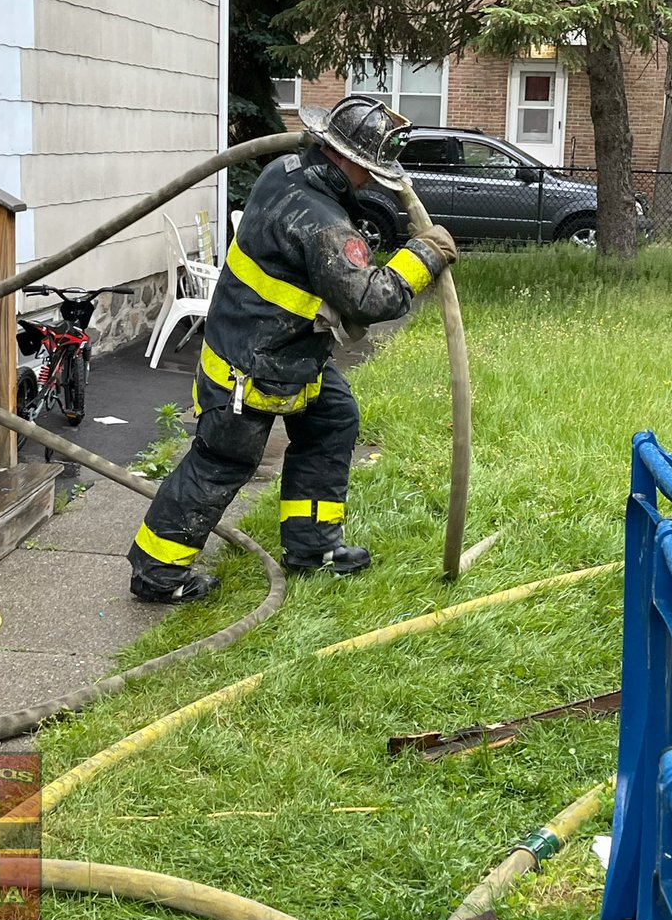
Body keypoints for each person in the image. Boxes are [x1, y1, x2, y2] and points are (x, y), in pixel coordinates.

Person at [127, 94, 458, 603]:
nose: (371, 182)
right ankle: (157, 574)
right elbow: (370, 298)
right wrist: (423, 257)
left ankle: (311, 546)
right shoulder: (324, 223)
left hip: (277, 352)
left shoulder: (283, 170)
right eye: (368, 171)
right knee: (221, 462)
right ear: (344, 158)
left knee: (333, 419)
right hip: (255, 369)